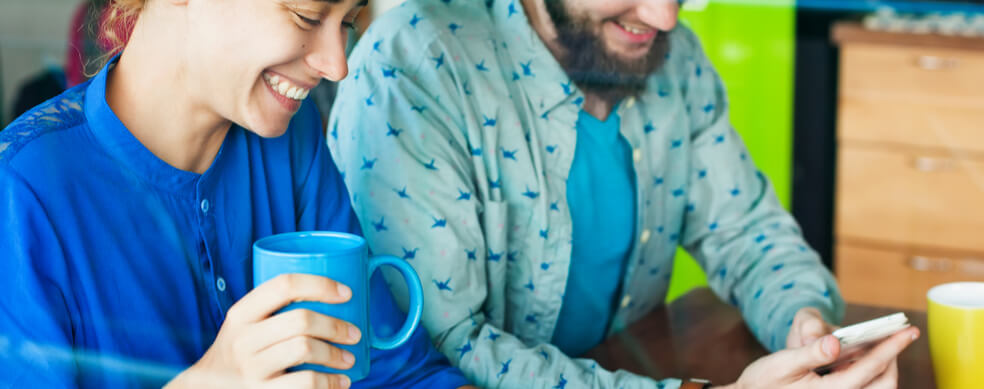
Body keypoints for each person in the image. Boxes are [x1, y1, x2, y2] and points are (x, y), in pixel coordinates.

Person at [327, 0, 918, 388]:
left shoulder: (676, 59)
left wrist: (810, 329)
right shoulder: (414, 69)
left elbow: (747, 233)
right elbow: (443, 349)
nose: (663, 17)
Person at [0, 0, 475, 388]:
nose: (337, 65)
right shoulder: (22, 193)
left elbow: (400, 376)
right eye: (307, 16)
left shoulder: (290, 137)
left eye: (348, 21)